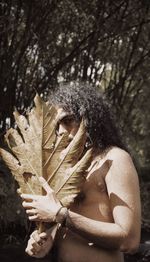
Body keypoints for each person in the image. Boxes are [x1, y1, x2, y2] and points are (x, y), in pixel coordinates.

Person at [21, 83, 141, 262]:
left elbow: (130, 241)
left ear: (89, 118)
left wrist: (60, 214)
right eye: (57, 126)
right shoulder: (66, 167)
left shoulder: (115, 159)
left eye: (68, 120)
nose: (61, 131)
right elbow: (70, 223)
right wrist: (47, 238)